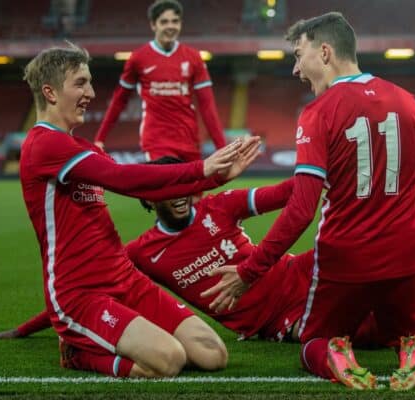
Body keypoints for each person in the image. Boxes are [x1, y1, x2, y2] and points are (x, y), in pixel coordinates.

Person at [0, 158, 415, 373]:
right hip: (275, 322)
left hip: (298, 274)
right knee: (360, 334)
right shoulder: (142, 255)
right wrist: (33, 326)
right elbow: (91, 290)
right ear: (151, 200)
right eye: (170, 188)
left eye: (186, 185)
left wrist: (323, 173)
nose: (182, 195)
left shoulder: (218, 207)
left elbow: (279, 194)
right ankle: (399, 320)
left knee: (394, 249)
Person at [202, 12, 415, 391]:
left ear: (324, 52)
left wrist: (249, 272)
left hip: (344, 262)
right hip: (405, 260)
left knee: (312, 341)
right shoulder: (409, 104)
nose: (295, 69)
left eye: (298, 55)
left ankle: (335, 353)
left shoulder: (317, 114)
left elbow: (301, 211)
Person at [17, 42, 260, 378]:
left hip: (123, 279)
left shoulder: (80, 146)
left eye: (89, 82)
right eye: (80, 83)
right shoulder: (44, 144)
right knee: (168, 361)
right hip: (81, 293)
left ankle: (115, 339)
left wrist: (213, 179)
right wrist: (200, 169)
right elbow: (122, 178)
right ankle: (77, 354)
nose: (89, 92)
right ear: (50, 92)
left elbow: (146, 186)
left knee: (212, 355)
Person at [94, 0, 226, 161]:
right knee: (167, 184)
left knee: (192, 187)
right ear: (153, 25)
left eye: (175, 21)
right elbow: (119, 100)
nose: (170, 26)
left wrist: (221, 147)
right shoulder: (139, 58)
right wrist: (100, 138)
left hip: (188, 139)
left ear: (180, 24)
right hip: (157, 141)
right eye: (164, 22)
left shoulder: (193, 58)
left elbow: (207, 105)